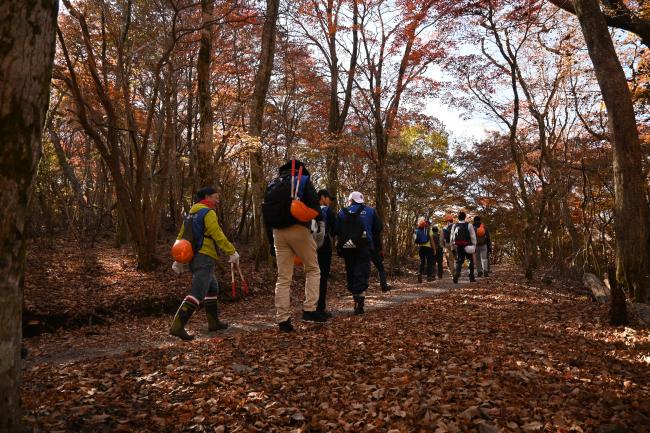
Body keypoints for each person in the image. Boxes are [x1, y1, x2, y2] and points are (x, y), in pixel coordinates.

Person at [263, 160, 327, 333]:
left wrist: (270, 241)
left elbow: (266, 215)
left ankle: (283, 320)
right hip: (298, 229)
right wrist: (319, 225)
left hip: (277, 232)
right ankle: (309, 310)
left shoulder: (273, 184)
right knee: (313, 269)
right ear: (301, 170)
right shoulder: (302, 180)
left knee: (283, 278)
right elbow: (315, 206)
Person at [170, 186, 240, 341]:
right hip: (205, 256)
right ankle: (177, 326)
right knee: (198, 292)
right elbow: (217, 234)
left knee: (212, 287)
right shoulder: (208, 213)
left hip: (194, 256)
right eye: (215, 197)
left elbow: (182, 235)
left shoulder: (191, 214)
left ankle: (213, 322)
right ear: (206, 197)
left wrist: (179, 259)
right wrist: (231, 251)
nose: (217, 200)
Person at [337, 191, 382, 314]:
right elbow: (378, 229)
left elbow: (336, 230)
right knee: (361, 272)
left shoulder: (342, 212)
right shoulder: (371, 211)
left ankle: (355, 297)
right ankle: (359, 303)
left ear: (350, 200)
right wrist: (377, 247)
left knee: (351, 271)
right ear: (361, 200)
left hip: (348, 247)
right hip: (364, 246)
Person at [316, 189, 337, 317]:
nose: (329, 201)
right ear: (322, 197)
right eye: (328, 198)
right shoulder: (327, 211)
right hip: (324, 245)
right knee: (322, 276)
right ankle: (320, 307)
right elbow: (335, 230)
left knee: (311, 275)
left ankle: (309, 306)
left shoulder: (309, 208)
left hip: (309, 246)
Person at [450, 211, 477, 284]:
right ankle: (471, 277)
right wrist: (474, 245)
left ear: (458, 218)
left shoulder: (454, 225)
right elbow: (473, 236)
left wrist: (452, 246)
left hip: (458, 246)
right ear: (465, 217)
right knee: (470, 260)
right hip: (468, 245)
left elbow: (452, 237)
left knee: (459, 261)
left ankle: (456, 274)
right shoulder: (469, 225)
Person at [414, 217, 434, 283]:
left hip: (421, 248)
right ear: (428, 224)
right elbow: (432, 241)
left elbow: (416, 240)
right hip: (429, 248)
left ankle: (420, 273)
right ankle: (429, 277)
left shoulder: (418, 229)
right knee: (429, 262)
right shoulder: (429, 230)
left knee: (422, 262)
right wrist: (434, 249)